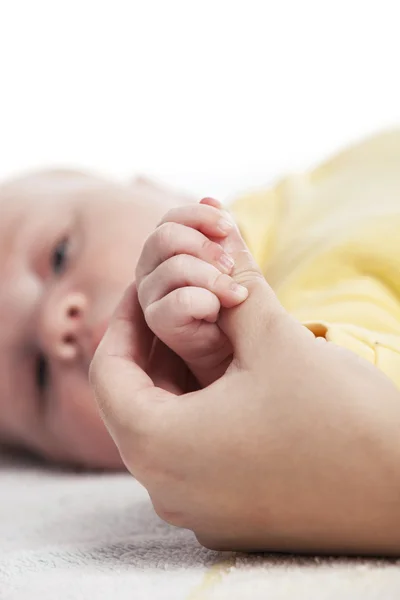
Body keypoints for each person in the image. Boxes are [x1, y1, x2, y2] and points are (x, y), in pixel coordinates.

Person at [1, 130, 400, 471]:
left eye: (59, 255)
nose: (55, 325)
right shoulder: (303, 331)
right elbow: (357, 419)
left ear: (151, 187)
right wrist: (227, 376)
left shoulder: (308, 193)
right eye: (39, 379)